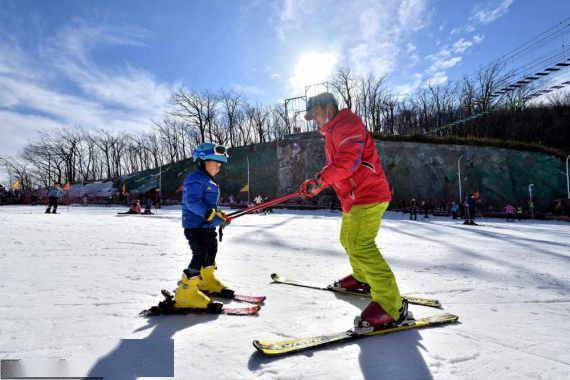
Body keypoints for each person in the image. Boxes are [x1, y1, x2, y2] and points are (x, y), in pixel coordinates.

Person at [299, 92, 408, 330]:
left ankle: (392, 306)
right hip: (354, 198)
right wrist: (319, 182)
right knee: (348, 240)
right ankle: (362, 279)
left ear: (327, 108)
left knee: (360, 244)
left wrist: (320, 181)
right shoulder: (332, 132)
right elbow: (338, 167)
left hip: (368, 195)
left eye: (315, 114)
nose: (315, 121)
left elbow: (348, 162)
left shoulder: (347, 124)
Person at [173, 143, 232, 312]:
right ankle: (186, 292)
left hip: (206, 226)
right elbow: (191, 202)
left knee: (211, 250)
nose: (218, 167)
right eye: (215, 163)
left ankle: (207, 280)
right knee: (199, 254)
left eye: (220, 165)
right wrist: (207, 213)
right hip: (194, 226)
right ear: (202, 161)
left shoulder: (209, 181)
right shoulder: (195, 178)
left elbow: (210, 208)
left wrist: (220, 218)